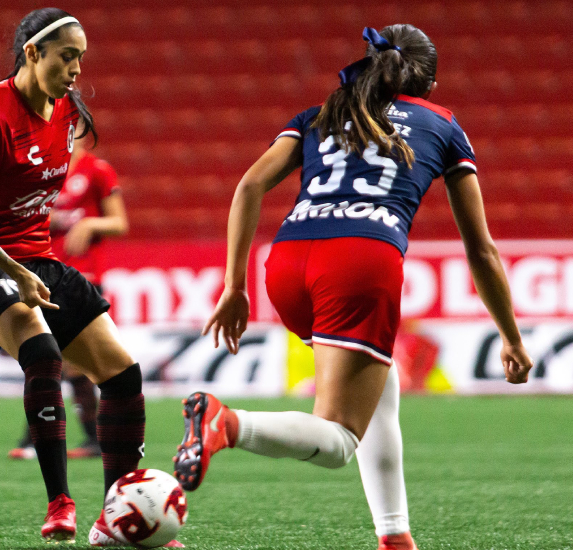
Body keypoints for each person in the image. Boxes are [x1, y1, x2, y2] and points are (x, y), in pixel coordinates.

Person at [173, 25, 534, 550]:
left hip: (288, 262)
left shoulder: (322, 114)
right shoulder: (444, 123)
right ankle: (226, 424)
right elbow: (481, 250)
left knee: (378, 390)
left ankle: (395, 536)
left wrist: (235, 285)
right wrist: (512, 337)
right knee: (340, 438)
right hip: (362, 261)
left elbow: (249, 184)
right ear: (428, 83)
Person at [0, 8, 179, 547]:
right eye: (66, 56)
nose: (75, 68)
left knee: (123, 376)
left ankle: (117, 515)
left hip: (35, 261)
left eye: (80, 58)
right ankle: (60, 502)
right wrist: (16, 272)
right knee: (43, 353)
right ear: (31, 53)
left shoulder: (66, 111)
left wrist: (31, 267)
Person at [9, 133, 127, 460]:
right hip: (45, 276)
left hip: (83, 278)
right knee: (51, 358)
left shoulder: (97, 170)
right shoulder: (43, 173)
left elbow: (120, 222)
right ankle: (89, 437)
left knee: (66, 362)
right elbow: (20, 219)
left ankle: (43, 437)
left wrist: (88, 225)